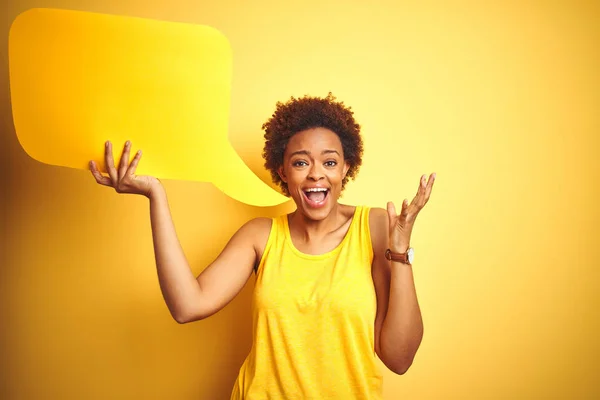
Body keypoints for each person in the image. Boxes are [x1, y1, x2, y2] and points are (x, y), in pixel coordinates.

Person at [89, 93, 436, 399]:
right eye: (301, 162)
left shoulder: (374, 227)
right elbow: (187, 306)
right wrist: (156, 195)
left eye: (329, 162)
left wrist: (401, 254)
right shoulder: (261, 235)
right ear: (283, 171)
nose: (316, 173)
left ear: (346, 167)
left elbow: (399, 358)